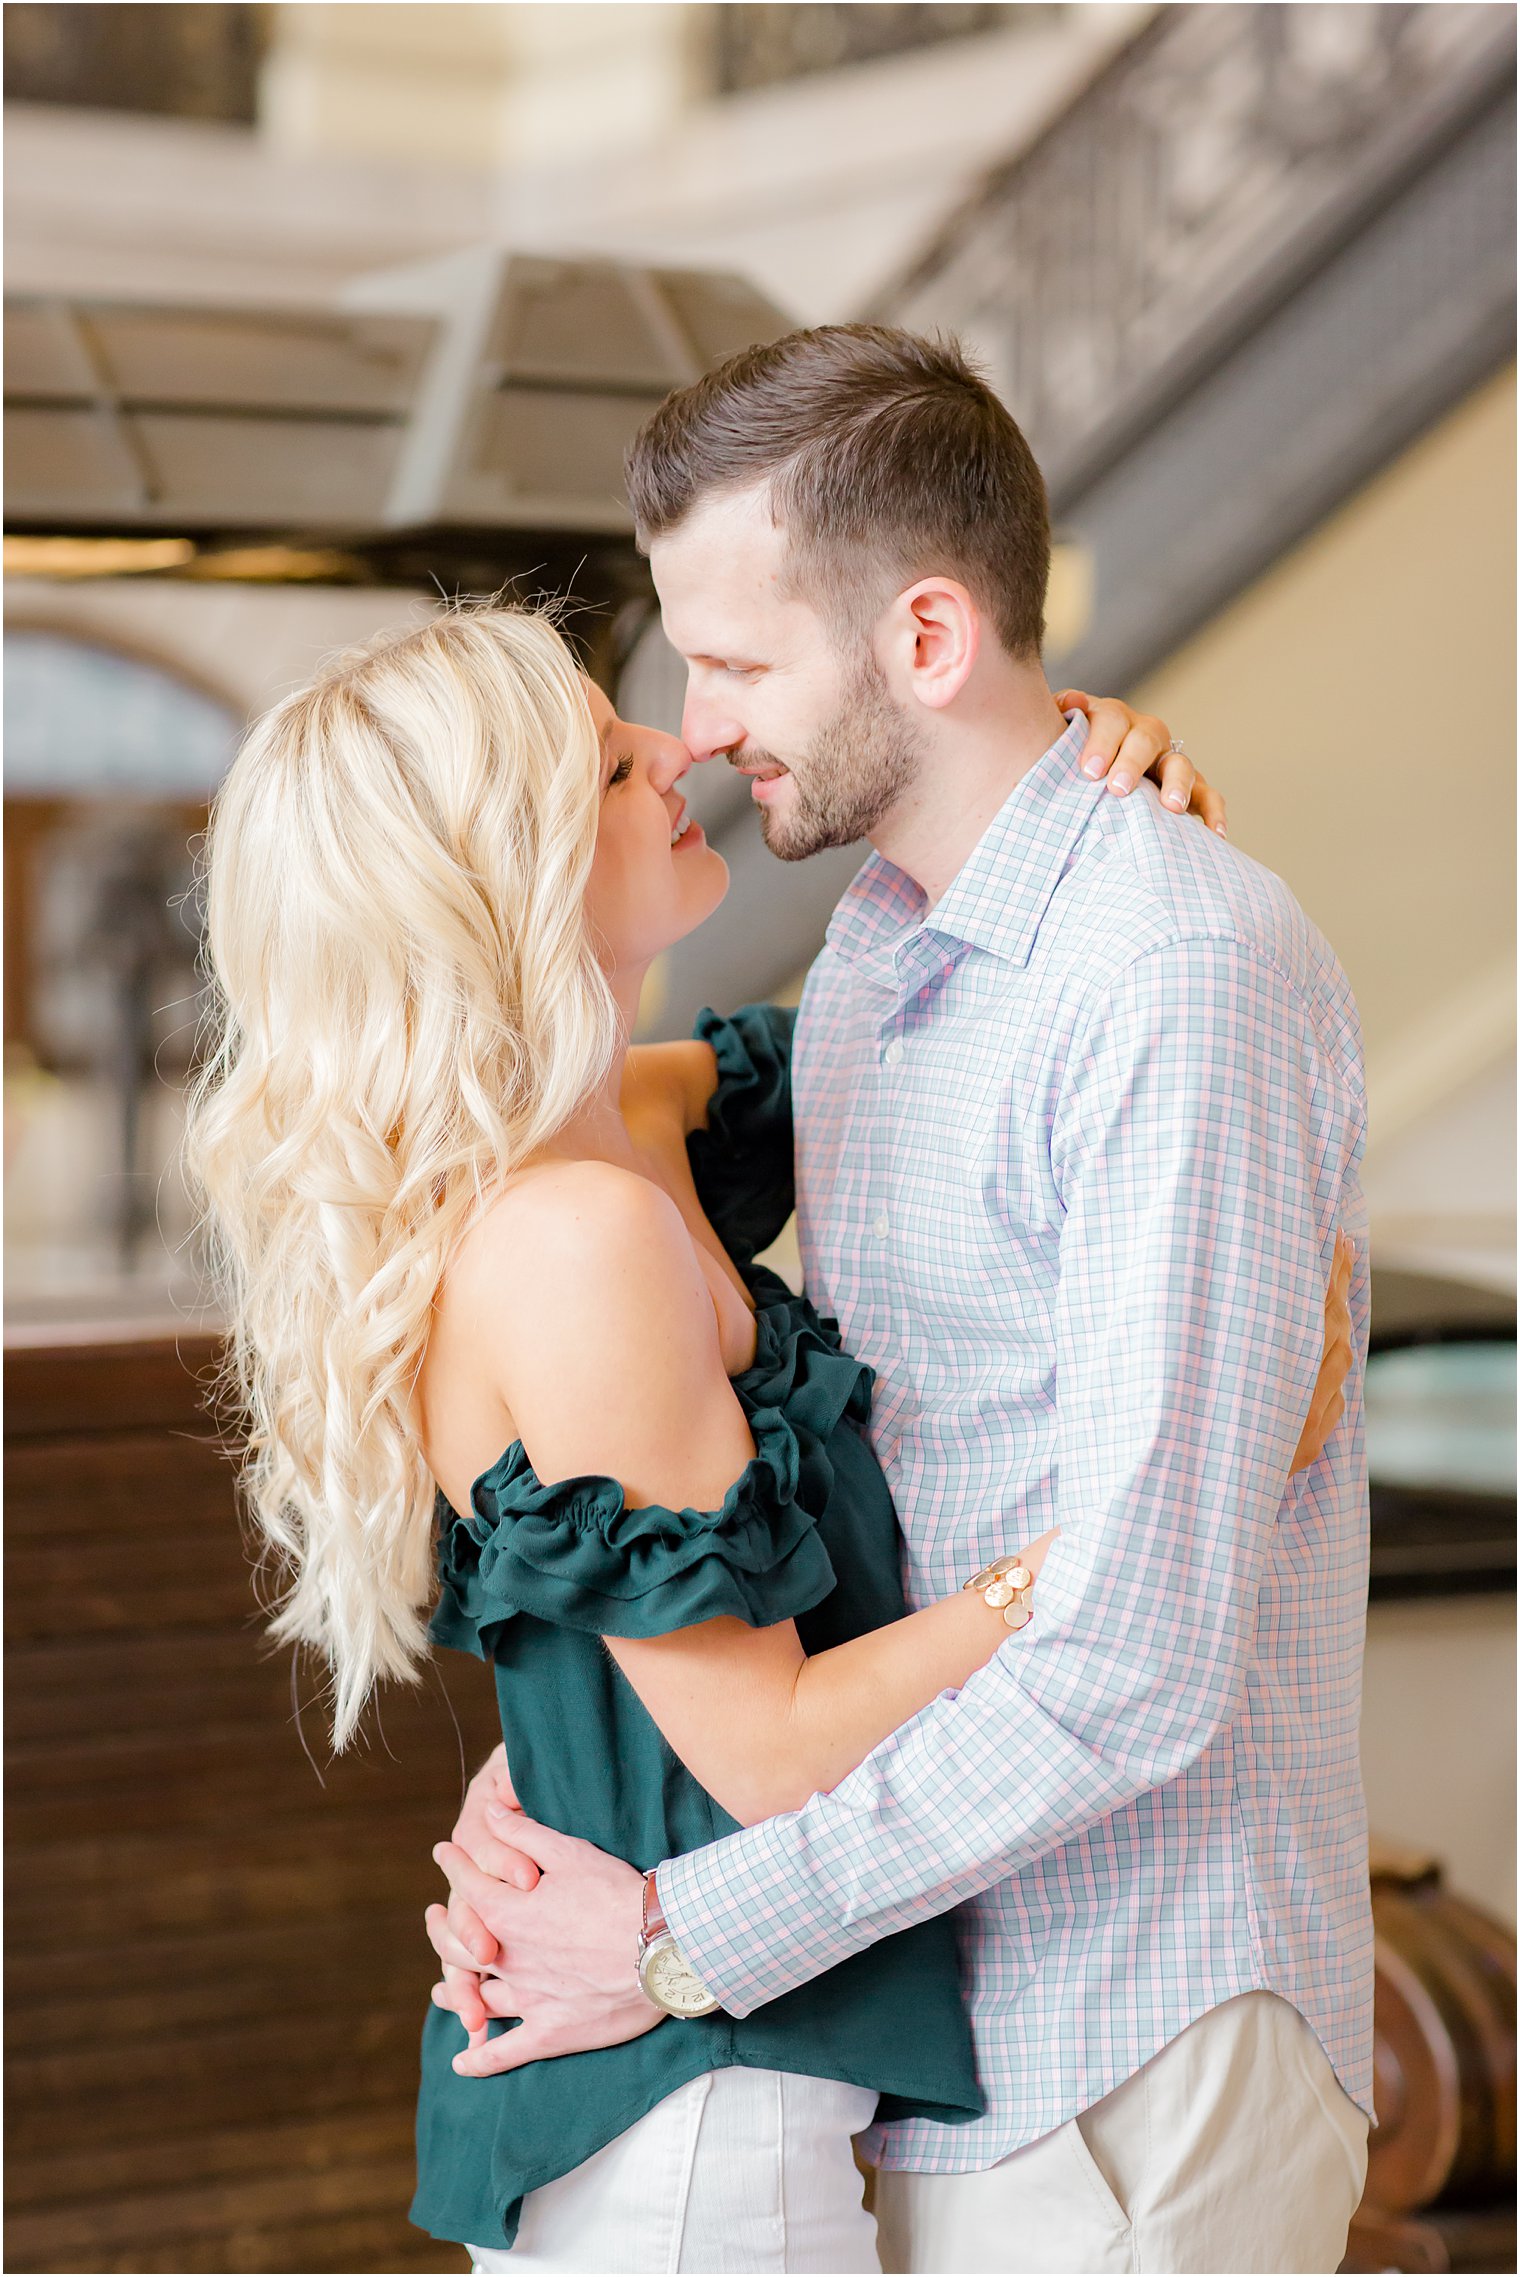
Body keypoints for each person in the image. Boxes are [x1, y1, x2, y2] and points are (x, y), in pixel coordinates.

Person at [186, 602, 1346, 2274]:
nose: (679, 749)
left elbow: (980, 1053)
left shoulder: (635, 1119)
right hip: (682, 2123)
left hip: (740, 2073)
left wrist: (1067, 764)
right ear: (503, 871)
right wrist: (1118, 1546)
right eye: (605, 760)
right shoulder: (570, 1236)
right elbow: (778, 1747)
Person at [426, 326, 1377, 2276]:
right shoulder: (875, 950)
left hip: (1127, 2035)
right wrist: (547, 1781)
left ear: (926, 638)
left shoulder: (1171, 969)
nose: (696, 724)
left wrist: (686, 1931)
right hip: (908, 2018)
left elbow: (1133, 1658)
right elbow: (771, 1487)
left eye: (742, 661)